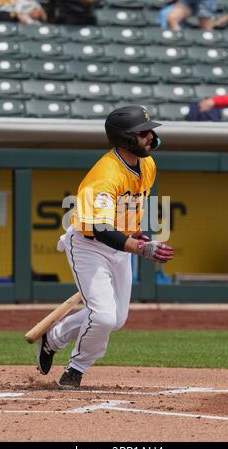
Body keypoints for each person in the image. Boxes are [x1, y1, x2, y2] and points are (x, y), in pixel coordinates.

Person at [36, 105, 174, 389]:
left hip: (119, 245)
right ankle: (76, 369)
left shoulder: (147, 165)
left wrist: (134, 233)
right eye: (143, 132)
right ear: (124, 138)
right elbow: (99, 227)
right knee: (102, 316)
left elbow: (127, 209)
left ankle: (53, 338)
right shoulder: (105, 174)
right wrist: (137, 247)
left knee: (116, 319)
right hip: (89, 246)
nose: (151, 136)